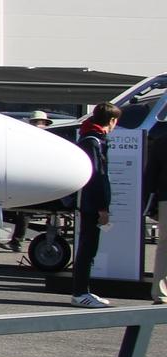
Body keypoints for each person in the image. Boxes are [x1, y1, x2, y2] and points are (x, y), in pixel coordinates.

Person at [69, 102, 121, 308]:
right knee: (87, 248)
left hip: (90, 202)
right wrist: (103, 208)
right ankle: (80, 292)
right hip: (91, 203)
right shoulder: (93, 142)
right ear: (112, 120)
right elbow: (97, 178)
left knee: (89, 247)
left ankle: (84, 290)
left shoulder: (91, 138)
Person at [4, 112, 56, 251]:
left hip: (41, 182)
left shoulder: (37, 140)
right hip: (45, 182)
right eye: (37, 122)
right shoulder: (52, 139)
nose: (39, 125)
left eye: (40, 122)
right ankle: (19, 241)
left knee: (26, 211)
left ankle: (17, 241)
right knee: (44, 212)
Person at [147, 117, 166, 305]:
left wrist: (150, 205)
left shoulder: (161, 140)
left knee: (164, 247)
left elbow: (151, 175)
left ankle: (161, 293)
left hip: (165, 199)